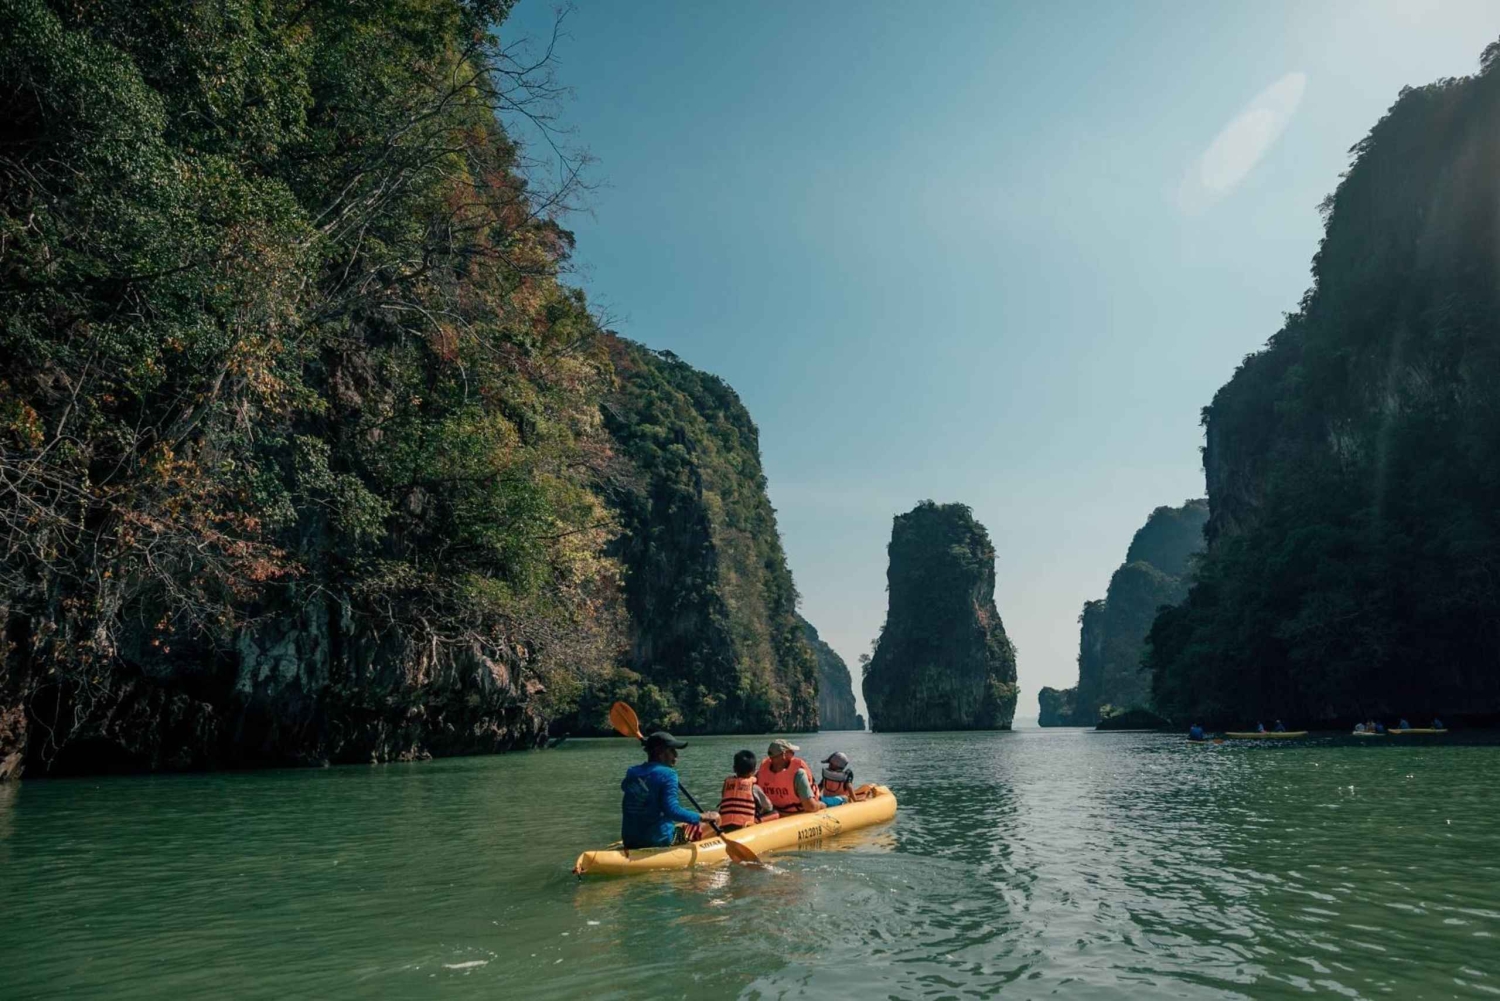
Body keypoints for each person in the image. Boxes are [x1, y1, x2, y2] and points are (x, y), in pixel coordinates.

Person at [620, 731, 719, 850]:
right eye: (672, 751)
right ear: (660, 753)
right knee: (717, 818)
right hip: (661, 840)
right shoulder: (668, 774)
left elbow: (625, 787)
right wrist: (703, 816)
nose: (676, 756)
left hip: (630, 841)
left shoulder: (632, 772)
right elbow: (673, 811)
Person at [756, 738, 823, 815]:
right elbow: (810, 807)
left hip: (773, 814)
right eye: (791, 752)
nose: (793, 755)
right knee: (831, 801)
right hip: (794, 814)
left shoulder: (759, 773)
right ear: (784, 754)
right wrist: (822, 805)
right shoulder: (798, 774)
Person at [717, 749, 777, 832]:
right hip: (744, 827)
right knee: (775, 813)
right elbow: (768, 807)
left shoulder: (727, 784)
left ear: (734, 769)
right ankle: (756, 822)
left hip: (725, 825)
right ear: (753, 771)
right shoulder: (754, 787)